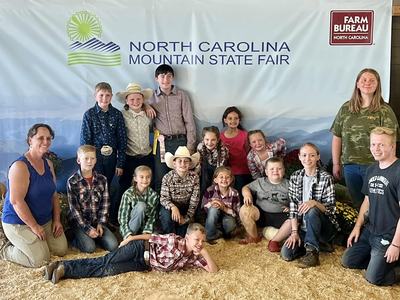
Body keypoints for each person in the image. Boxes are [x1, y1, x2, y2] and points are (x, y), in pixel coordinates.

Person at [43, 223, 219, 284]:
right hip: (140, 248)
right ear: (187, 237)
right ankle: (64, 266)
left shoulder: (194, 257)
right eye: (196, 240)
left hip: (143, 264)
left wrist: (204, 250)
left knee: (108, 271)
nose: (199, 243)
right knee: (105, 261)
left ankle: (65, 271)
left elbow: (214, 271)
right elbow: (151, 237)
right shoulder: (174, 239)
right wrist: (131, 239)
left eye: (202, 241)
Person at [331, 68, 399, 210]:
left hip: (376, 166)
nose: (367, 83)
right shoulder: (346, 109)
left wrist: (389, 168)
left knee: (376, 205)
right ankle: (359, 231)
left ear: (378, 85)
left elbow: (392, 142)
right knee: (357, 204)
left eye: (372, 80)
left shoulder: (384, 110)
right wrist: (336, 164)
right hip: (350, 166)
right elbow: (337, 136)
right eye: (364, 80)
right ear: (357, 84)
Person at [0, 124, 67, 267]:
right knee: (40, 260)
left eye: (49, 138)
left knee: (61, 250)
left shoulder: (48, 164)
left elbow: (54, 194)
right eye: (40, 138)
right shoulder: (20, 166)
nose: (46, 142)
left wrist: (57, 220)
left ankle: (37, 244)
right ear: (30, 140)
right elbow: (16, 201)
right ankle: (6, 250)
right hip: (19, 222)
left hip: (45, 220)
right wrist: (35, 226)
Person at [342, 127, 400, 286]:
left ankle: (390, 265)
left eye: (381, 145)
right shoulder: (371, 169)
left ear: (392, 146)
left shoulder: (398, 171)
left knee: (374, 278)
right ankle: (379, 262)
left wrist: (396, 244)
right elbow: (367, 201)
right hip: (371, 230)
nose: (376, 149)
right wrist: (357, 227)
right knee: (348, 261)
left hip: (389, 235)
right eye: (373, 144)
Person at [281, 143, 338, 268]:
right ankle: (315, 244)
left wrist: (315, 203)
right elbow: (293, 207)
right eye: (304, 155)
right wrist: (294, 232)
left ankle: (312, 252)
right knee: (286, 254)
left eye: (312, 155)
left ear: (318, 157)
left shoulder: (326, 178)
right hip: (303, 227)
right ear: (299, 157)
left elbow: (331, 210)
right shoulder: (295, 177)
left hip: (324, 227)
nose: (308, 159)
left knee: (311, 210)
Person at [80, 82, 127, 227]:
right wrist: (88, 163)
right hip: (95, 160)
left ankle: (110, 219)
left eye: (107, 95)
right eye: (101, 95)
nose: (104, 98)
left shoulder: (117, 115)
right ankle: (95, 221)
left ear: (111, 96)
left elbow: (122, 140)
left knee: (113, 189)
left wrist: (120, 163)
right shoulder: (89, 115)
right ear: (96, 96)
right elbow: (85, 141)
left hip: (112, 159)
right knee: (96, 189)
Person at [148, 64, 196, 193]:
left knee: (182, 176)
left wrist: (190, 146)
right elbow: (134, 105)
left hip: (180, 142)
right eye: (162, 76)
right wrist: (145, 106)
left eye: (169, 76)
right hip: (161, 143)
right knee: (161, 178)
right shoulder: (150, 97)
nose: (166, 80)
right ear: (156, 78)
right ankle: (161, 212)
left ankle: (182, 210)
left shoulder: (182, 95)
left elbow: (189, 122)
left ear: (173, 78)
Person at [66, 145, 118, 253]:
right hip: (80, 223)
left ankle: (96, 236)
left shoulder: (102, 179)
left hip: (96, 221)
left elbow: (105, 204)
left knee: (113, 246)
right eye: (86, 158)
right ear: (79, 160)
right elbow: (74, 210)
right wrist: (87, 229)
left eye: (92, 158)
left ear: (96, 161)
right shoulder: (72, 181)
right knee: (89, 248)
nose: (89, 161)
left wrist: (101, 223)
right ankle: (75, 236)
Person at [239, 157, 290, 251]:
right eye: (272, 169)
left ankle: (267, 233)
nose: (275, 171)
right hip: (262, 215)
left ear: (283, 170)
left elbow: (297, 200)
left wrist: (291, 208)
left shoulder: (289, 184)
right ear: (266, 172)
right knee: (245, 209)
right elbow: (245, 187)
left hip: (281, 216)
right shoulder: (260, 182)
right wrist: (247, 195)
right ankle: (254, 237)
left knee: (292, 224)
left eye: (279, 168)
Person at [116, 83, 154, 194]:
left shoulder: (148, 114)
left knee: (147, 185)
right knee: (126, 186)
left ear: (143, 100)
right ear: (126, 101)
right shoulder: (121, 115)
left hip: (147, 157)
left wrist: (147, 106)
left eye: (138, 99)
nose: (135, 102)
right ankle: (124, 210)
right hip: (129, 157)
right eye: (132, 99)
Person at [159, 146, 200, 237]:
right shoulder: (167, 177)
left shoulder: (194, 177)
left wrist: (186, 218)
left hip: (186, 207)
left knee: (183, 234)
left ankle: (180, 231)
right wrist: (173, 207)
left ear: (189, 164)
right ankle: (169, 237)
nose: (183, 164)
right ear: (174, 163)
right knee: (165, 216)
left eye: (186, 161)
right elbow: (163, 198)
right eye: (179, 161)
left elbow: (194, 200)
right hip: (171, 207)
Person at [118, 166, 158, 244]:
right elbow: (122, 219)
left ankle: (139, 240)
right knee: (141, 206)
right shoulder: (128, 194)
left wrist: (146, 233)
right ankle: (129, 239)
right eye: (141, 177)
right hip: (131, 227)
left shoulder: (154, 195)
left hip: (144, 229)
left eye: (148, 177)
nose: (145, 180)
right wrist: (128, 234)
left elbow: (152, 218)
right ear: (135, 178)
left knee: (157, 237)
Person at [202, 167, 240, 243]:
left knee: (229, 223)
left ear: (231, 179)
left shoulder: (234, 193)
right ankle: (210, 236)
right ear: (215, 180)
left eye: (227, 177)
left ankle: (223, 235)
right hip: (212, 219)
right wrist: (212, 203)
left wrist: (224, 208)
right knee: (213, 210)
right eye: (221, 177)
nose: (224, 179)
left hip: (227, 218)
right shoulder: (210, 191)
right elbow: (203, 208)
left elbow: (236, 213)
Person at [220, 106, 252, 197]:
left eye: (236, 118)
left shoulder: (244, 135)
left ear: (239, 120)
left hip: (243, 171)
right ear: (225, 120)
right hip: (227, 172)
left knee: (239, 195)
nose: (233, 121)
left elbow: (247, 151)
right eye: (230, 118)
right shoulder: (220, 137)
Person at [197, 126, 229, 196]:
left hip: (218, 169)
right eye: (207, 139)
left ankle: (214, 195)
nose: (209, 142)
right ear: (203, 139)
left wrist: (214, 183)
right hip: (205, 168)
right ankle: (203, 197)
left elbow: (220, 168)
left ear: (217, 140)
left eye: (213, 140)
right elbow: (199, 163)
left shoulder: (223, 149)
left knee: (215, 186)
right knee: (203, 179)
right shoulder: (200, 146)